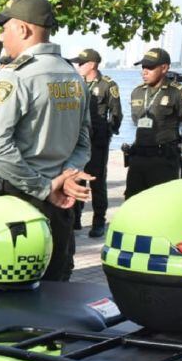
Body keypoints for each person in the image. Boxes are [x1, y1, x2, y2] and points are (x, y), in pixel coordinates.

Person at [0, 0, 93, 282]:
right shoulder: (73, 75)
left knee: (12, 285)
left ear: (23, 29)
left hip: (20, 199)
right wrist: (66, 176)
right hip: (63, 198)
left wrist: (45, 188)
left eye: (4, 28)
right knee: (56, 282)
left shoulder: (15, 76)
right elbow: (83, 139)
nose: (2, 37)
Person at [125, 48, 182, 199]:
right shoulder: (137, 92)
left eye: (150, 67)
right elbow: (136, 121)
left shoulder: (179, 93)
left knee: (162, 203)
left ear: (164, 68)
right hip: (138, 158)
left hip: (163, 160)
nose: (144, 72)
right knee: (132, 202)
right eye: (143, 67)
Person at [68, 49, 121, 237]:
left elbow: (116, 114)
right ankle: (75, 219)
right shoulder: (75, 84)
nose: (78, 66)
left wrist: (107, 133)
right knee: (76, 178)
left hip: (97, 141)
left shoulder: (108, 85)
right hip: (78, 140)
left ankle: (98, 221)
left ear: (92, 65)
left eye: (81, 63)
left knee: (97, 182)